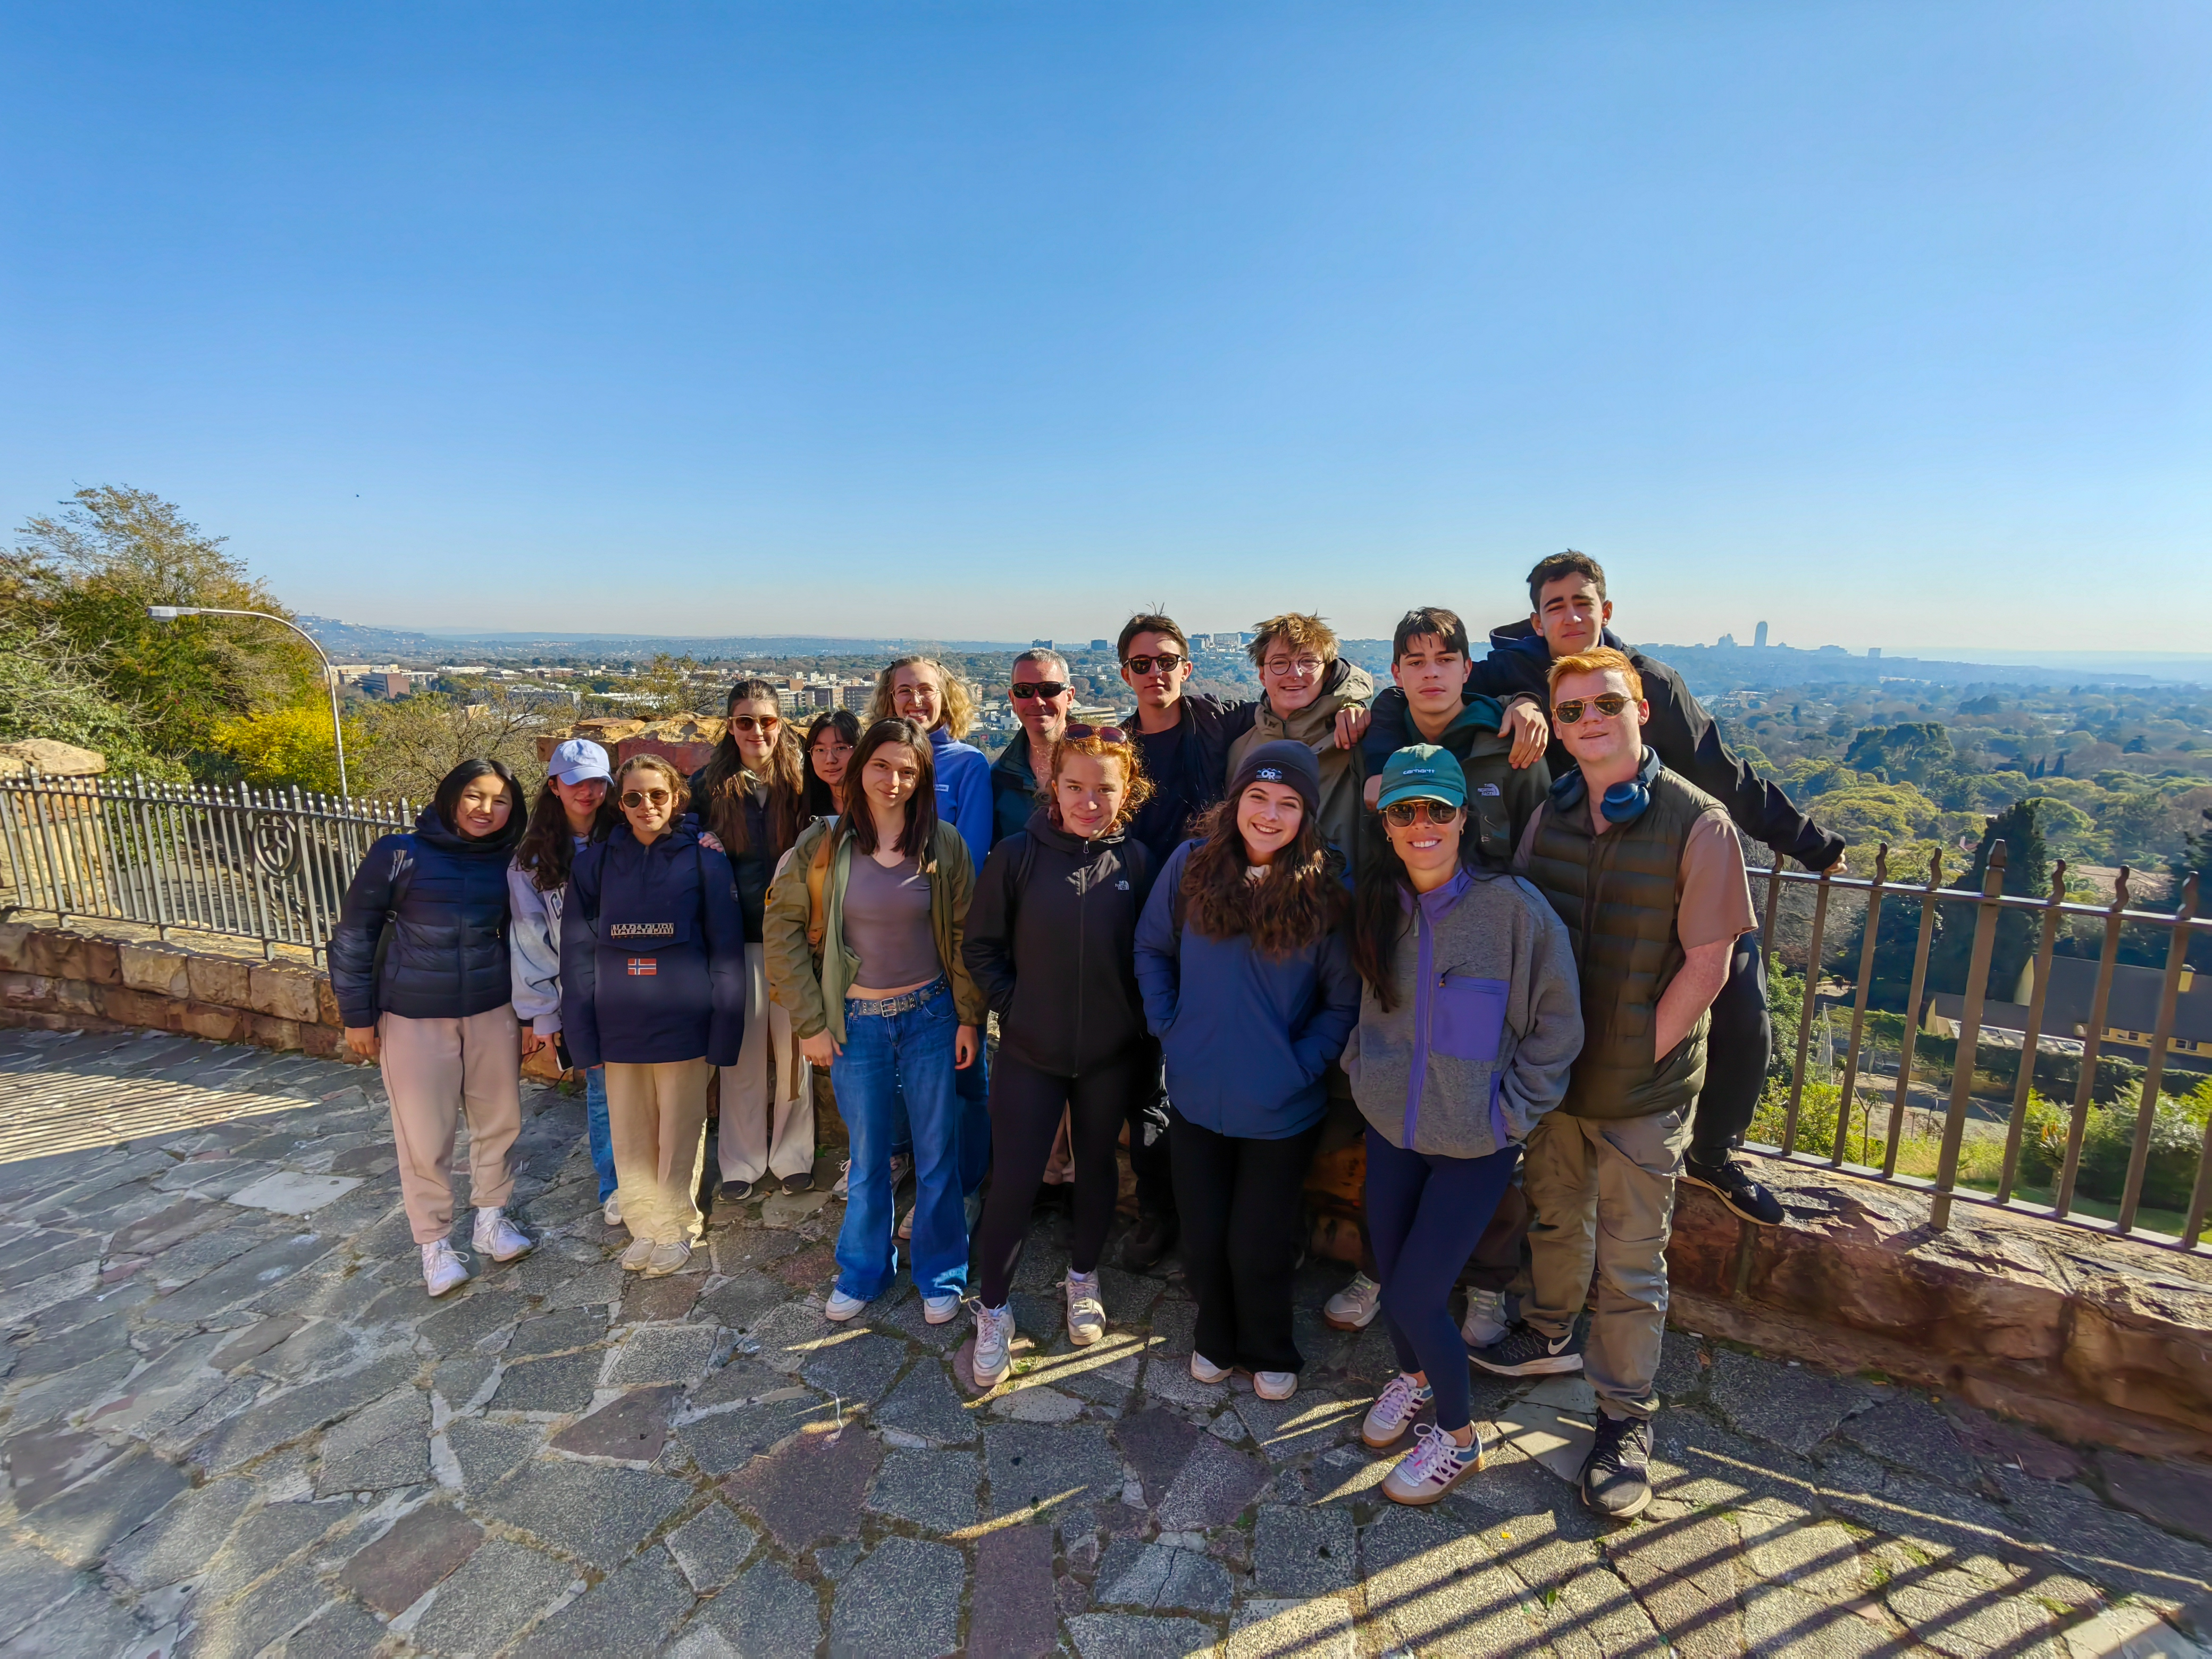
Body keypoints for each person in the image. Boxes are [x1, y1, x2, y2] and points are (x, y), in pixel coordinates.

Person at [1476, 551, 1846, 1227]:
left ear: (1604, 610)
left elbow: (1723, 775)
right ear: (1535, 618)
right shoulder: (1505, 672)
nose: (1570, 614)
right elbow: (1438, 695)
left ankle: (1711, 1153)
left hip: (1661, 863)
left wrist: (1811, 844)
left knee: (1741, 1005)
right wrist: (1517, 699)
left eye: (1581, 601)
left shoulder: (1652, 682)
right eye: (1554, 605)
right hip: (1559, 866)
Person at [1472, 647, 1755, 1520]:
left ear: (1641, 710)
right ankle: (1550, 1333)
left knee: (1633, 1266)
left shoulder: (1699, 823)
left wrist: (1640, 1052)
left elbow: (1708, 966)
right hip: (1558, 1078)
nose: (1589, 722)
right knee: (1557, 1216)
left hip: (1643, 1088)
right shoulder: (1553, 812)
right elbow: (1522, 920)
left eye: (1606, 705)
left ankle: (1626, 1417)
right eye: (1572, 712)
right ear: (1555, 725)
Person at [1343, 746, 1581, 1504]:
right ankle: (1411, 1379)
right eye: (1405, 811)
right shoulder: (1380, 905)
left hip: (1476, 1141)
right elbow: (1367, 1010)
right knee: (1388, 1263)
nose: (1422, 825)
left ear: (1463, 818)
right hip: (1393, 1130)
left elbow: (1557, 1025)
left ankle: (1459, 1438)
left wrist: (1511, 1111)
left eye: (1437, 810)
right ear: (1386, 825)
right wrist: (1363, 1074)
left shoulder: (1514, 912)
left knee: (1414, 1296)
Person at [1329, 605, 1555, 1335]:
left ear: (1466, 667)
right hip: (1397, 935)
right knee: (1399, 1100)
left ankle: (1486, 1283)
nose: (1431, 673)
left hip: (1481, 955)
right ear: (1397, 672)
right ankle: (1380, 1266)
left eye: (1444, 659)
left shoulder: (1506, 738)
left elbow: (1535, 843)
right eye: (1415, 661)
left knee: (1473, 1107)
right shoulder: (1381, 730)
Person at [1134, 740, 1360, 1402]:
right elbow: (1151, 947)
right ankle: (1214, 1338)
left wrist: (1300, 1064)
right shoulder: (1190, 866)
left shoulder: (1326, 892)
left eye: (1288, 803)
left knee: (1258, 1244)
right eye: (1257, 797)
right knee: (1202, 1236)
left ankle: (1267, 1347)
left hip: (1280, 1109)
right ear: (1235, 802)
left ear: (1306, 817)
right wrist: (1167, 1024)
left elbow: (1341, 1002)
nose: (1269, 814)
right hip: (1196, 1095)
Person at [763, 717, 987, 1324]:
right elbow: (781, 931)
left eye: (907, 771)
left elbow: (966, 937)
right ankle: (862, 1270)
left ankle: (940, 1271)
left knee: (938, 1153)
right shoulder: (823, 844)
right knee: (867, 1159)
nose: (892, 781)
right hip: (854, 1021)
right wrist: (809, 1021)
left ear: (922, 779)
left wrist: (969, 1018)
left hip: (930, 1018)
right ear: (860, 767)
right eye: (881, 766)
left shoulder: (942, 844)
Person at [963, 725, 1159, 1386]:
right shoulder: (1016, 855)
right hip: (1030, 1053)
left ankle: (1082, 1277)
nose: (1089, 801)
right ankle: (992, 1307)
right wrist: (1014, 1006)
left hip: (1109, 1056)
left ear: (1126, 791)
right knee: (1015, 1182)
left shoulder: (1138, 861)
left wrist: (1133, 1023)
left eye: (1105, 789)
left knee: (1096, 1170)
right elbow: (982, 946)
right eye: (1075, 786)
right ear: (1054, 786)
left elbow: (1150, 957)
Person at [331, 759, 533, 1297]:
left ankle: (492, 1221)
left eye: (500, 801)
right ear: (450, 796)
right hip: (413, 1015)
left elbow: (526, 937)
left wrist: (534, 1014)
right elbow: (354, 933)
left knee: (500, 1123)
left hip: (492, 1009)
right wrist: (356, 1014)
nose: (486, 810)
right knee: (424, 1136)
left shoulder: (512, 861)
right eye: (475, 796)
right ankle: (435, 1243)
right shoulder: (400, 854)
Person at [562, 754, 748, 1277]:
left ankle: (676, 1228)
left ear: (676, 798)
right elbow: (576, 956)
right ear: (619, 805)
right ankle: (645, 1227)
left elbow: (725, 954)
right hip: (617, 1024)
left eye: (658, 795)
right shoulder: (592, 866)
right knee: (630, 1136)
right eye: (634, 797)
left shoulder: (705, 862)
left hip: (683, 1023)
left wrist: (725, 1030)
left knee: (680, 1132)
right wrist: (581, 1036)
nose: (647, 806)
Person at [867, 657, 994, 1205]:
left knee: (963, 1070)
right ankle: (906, 1163)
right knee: (896, 1069)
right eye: (903, 691)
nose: (914, 700)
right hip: (888, 948)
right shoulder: (878, 761)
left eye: (925, 690)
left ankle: (964, 1185)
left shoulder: (966, 764)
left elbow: (969, 858)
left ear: (946, 697)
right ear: (888, 699)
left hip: (948, 941)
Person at [693, 680, 817, 1202]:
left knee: (796, 1056)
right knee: (740, 1057)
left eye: (767, 721)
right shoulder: (707, 786)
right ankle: (740, 1159)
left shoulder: (802, 781)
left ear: (781, 724)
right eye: (745, 721)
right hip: (736, 937)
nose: (757, 731)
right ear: (730, 726)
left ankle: (793, 1155)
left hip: (792, 939)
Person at [508, 739, 618, 1225]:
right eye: (576, 782)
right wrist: (543, 1012)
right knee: (602, 1089)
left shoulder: (625, 837)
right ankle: (614, 1184)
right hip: (581, 992)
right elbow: (531, 941)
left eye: (597, 782)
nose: (588, 792)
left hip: (634, 982)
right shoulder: (531, 862)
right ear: (554, 786)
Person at [1223, 613, 1375, 867]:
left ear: (1327, 673)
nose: (1295, 673)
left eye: (1308, 662)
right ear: (1262, 675)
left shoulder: (1355, 736)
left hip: (1342, 896)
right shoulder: (1241, 749)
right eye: (1280, 663)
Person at [989, 648, 1075, 847]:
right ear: (1012, 699)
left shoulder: (1102, 762)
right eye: (1024, 690)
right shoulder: (999, 778)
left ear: (1069, 697)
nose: (1037, 700)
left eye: (1049, 689)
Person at [802, 708, 859, 820]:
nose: (830, 760)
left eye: (840, 748)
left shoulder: (876, 806)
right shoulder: (803, 810)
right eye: (820, 750)